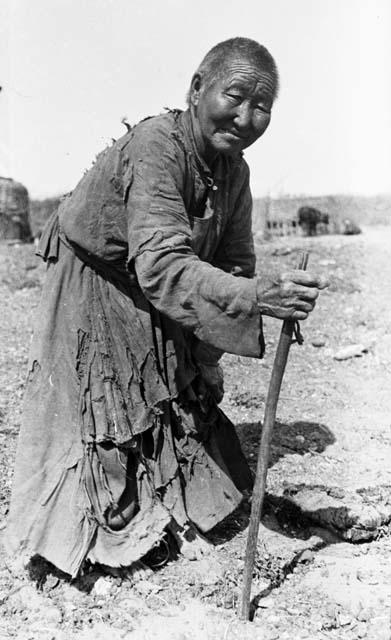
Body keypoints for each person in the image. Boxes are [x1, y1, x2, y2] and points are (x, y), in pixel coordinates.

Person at [6, 37, 327, 579]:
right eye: (236, 96)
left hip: (154, 276)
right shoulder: (157, 146)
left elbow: (236, 266)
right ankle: (89, 528)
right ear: (197, 88)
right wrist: (254, 299)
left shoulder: (234, 171)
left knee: (184, 404)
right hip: (97, 275)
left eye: (263, 106)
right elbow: (161, 267)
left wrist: (206, 355)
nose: (247, 117)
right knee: (107, 419)